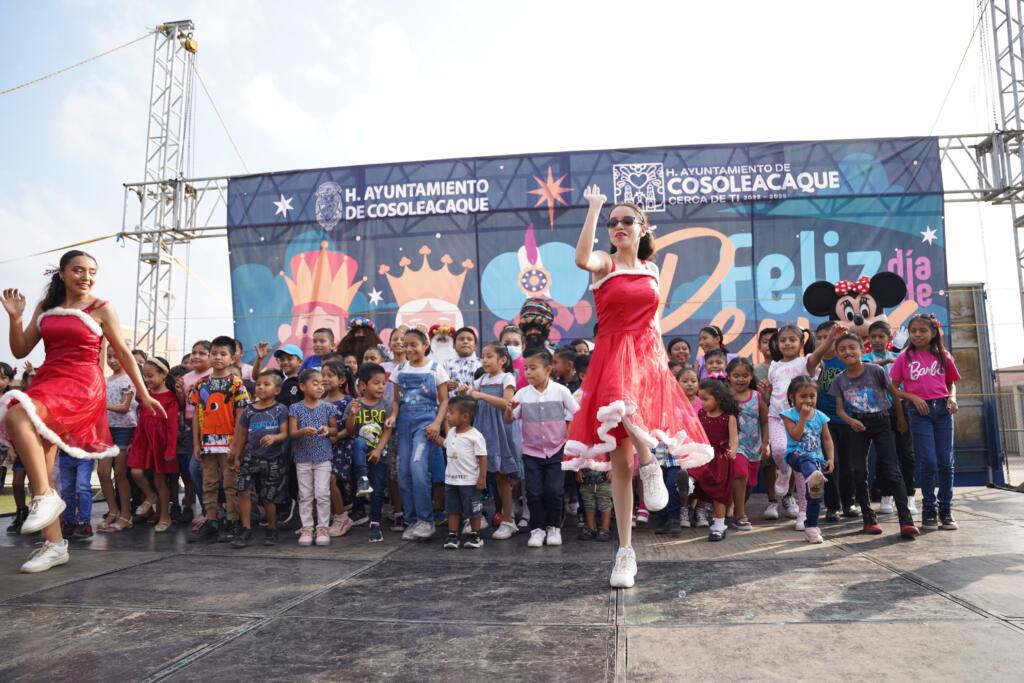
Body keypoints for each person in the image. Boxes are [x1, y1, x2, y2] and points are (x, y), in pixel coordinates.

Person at [562, 186, 713, 587]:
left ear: (643, 227)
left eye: (627, 220)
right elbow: (580, 258)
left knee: (622, 447)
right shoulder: (604, 266)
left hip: (647, 355)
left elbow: (655, 320)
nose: (619, 227)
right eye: (613, 223)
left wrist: (661, 360)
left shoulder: (651, 269)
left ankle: (645, 470)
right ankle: (627, 546)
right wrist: (594, 208)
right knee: (620, 457)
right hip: (612, 354)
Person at [1, 250, 166, 573]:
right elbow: (21, 349)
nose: (86, 276)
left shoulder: (101, 308)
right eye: (78, 270)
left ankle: (45, 500)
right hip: (49, 380)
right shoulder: (47, 307)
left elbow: (124, 354)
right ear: (62, 273)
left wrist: (143, 395)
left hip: (81, 384)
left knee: (17, 414)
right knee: (42, 458)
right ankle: (55, 544)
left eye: (91, 271)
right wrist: (16, 318)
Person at [830, 333, 920, 539]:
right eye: (842, 349)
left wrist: (900, 419)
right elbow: (840, 410)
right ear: (837, 354)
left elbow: (894, 395)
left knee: (892, 470)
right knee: (858, 471)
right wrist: (851, 421)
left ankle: (906, 521)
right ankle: (869, 519)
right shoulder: (839, 379)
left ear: (862, 349)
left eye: (852, 347)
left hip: (881, 420)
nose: (847, 352)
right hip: (858, 425)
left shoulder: (875, 370)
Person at [759, 323, 843, 527]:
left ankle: (804, 514)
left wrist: (831, 339)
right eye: (783, 340)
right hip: (777, 417)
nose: (787, 343)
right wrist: (766, 394)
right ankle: (783, 470)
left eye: (792, 340)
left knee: (803, 471)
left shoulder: (806, 362)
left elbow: (817, 354)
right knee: (779, 451)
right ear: (777, 344)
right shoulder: (774, 367)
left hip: (802, 420)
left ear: (801, 342)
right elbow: (777, 395)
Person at [889, 314, 961, 530]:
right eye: (913, 331)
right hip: (919, 412)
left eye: (922, 330)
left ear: (933, 333)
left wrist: (953, 398)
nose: (918, 334)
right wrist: (912, 397)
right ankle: (929, 509)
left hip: (943, 411)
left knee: (946, 463)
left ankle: (946, 510)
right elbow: (893, 386)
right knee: (928, 461)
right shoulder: (905, 357)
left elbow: (951, 384)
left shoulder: (943, 356)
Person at [506, 349, 579, 549]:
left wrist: (572, 441)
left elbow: (577, 413)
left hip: (557, 450)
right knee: (534, 492)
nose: (527, 372)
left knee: (554, 491)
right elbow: (509, 419)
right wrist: (508, 410)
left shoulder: (561, 391)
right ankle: (537, 529)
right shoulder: (522, 394)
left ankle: (554, 527)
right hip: (531, 452)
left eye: (532, 368)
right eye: (525, 369)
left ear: (548, 369)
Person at [190, 335, 251, 542]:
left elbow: (241, 418)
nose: (217, 357)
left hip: (229, 444)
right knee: (209, 483)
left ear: (232, 358)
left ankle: (233, 522)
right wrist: (197, 444)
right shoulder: (201, 384)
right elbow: (197, 416)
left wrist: (237, 445)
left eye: (223, 354)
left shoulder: (236, 384)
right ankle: (212, 521)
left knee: (231, 484)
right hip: (207, 444)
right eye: (214, 353)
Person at [392, 328, 449, 541]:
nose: (409, 349)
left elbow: (444, 401)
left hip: (425, 426)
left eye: (413, 344)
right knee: (403, 473)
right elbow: (397, 400)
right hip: (404, 425)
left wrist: (436, 423)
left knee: (418, 468)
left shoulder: (436, 369)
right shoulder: (399, 370)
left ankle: (427, 520)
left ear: (425, 345)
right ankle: (412, 519)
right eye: (406, 345)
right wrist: (393, 417)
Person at [460, 342, 521, 539]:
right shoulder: (482, 378)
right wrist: (464, 391)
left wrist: (479, 395)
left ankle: (508, 520)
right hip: (482, 429)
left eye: (489, 356)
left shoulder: (507, 377)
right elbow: (471, 396)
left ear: (502, 360)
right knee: (480, 473)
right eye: (483, 356)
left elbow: (506, 403)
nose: (484, 360)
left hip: (500, 430)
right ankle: (477, 517)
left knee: (501, 475)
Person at [229, 370, 289, 547]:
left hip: (273, 460)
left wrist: (274, 438)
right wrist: (237, 457)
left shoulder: (281, 409)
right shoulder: (248, 410)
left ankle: (271, 529)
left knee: (268, 497)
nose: (261, 387)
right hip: (250, 458)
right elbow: (241, 436)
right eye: (259, 384)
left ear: (277, 390)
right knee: (243, 491)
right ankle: (246, 528)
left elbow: (285, 433)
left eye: (266, 384)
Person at [863, 320, 916, 516]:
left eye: (881, 336)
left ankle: (910, 495)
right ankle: (886, 495)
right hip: (878, 411)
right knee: (885, 454)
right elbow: (864, 371)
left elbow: (907, 384)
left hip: (901, 408)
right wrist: (885, 363)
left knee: (906, 454)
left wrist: (896, 355)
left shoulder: (899, 357)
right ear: (868, 339)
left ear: (889, 339)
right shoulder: (864, 358)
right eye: (873, 337)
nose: (876, 340)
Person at [126, 357, 179, 533]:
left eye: (150, 376)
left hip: (161, 442)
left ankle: (165, 516)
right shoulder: (145, 396)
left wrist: (170, 448)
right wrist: (134, 441)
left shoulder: (171, 398)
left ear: (164, 374)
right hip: (143, 439)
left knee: (160, 480)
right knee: (135, 472)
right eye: (144, 376)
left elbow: (172, 426)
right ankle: (150, 496)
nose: (147, 380)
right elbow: (141, 420)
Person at [780, 376, 834, 544]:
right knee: (806, 462)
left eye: (812, 396)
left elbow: (826, 438)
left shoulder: (821, 416)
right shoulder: (789, 415)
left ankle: (811, 527)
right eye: (803, 396)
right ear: (792, 397)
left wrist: (830, 458)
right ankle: (813, 476)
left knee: (815, 495)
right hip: (795, 454)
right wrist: (802, 418)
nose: (808, 400)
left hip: (816, 458)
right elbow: (795, 436)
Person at [289, 368, 339, 547]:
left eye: (321, 384)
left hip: (323, 457)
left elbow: (335, 430)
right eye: (315, 383)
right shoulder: (295, 408)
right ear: (302, 386)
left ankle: (323, 527)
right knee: (305, 495)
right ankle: (307, 528)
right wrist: (302, 431)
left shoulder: (328, 407)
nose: (319, 387)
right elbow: (292, 433)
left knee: (323, 493)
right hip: (302, 458)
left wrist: (328, 430)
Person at [814, 322, 858, 522]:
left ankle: (849, 502)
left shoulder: (845, 361)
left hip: (848, 419)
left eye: (828, 336)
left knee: (849, 464)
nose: (825, 340)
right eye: (820, 337)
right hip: (825, 422)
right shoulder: (815, 363)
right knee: (832, 463)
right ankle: (832, 506)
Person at [685, 379, 739, 541]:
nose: (702, 403)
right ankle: (687, 483)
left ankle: (718, 526)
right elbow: (694, 432)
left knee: (719, 493)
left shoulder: (729, 418)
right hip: (703, 453)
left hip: (721, 458)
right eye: (700, 399)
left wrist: (733, 450)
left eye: (705, 399)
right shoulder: (701, 414)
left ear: (719, 398)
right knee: (695, 470)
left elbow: (734, 438)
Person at [346, 362, 394, 543]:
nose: (381, 386)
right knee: (358, 440)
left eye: (383, 383)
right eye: (376, 383)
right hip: (360, 454)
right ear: (363, 385)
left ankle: (375, 523)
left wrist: (379, 449)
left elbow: (388, 430)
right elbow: (350, 431)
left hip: (379, 453)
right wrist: (352, 415)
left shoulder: (386, 405)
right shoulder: (356, 404)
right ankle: (362, 479)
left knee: (379, 488)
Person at [97, 345, 137, 533]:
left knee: (120, 474)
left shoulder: (129, 380)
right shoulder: (104, 380)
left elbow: (124, 407)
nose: (112, 361)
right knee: (103, 473)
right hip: (106, 430)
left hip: (124, 429)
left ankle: (125, 515)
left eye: (116, 357)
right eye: (109, 357)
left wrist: (101, 404)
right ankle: (112, 510)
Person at [442, 397, 487, 550]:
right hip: (451, 480)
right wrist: (434, 437)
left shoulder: (475, 436)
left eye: (451, 412)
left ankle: (476, 535)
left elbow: (482, 457)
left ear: (465, 416)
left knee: (473, 509)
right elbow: (445, 444)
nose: (447, 415)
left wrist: (482, 477)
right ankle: (453, 534)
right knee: (452, 509)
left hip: (470, 481)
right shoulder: (451, 433)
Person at [727, 357, 767, 531]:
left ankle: (737, 507)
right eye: (736, 375)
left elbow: (765, 421)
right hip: (735, 446)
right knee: (740, 473)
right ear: (728, 376)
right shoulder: (725, 397)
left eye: (744, 375)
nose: (740, 379)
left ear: (751, 377)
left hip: (755, 446)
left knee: (750, 483)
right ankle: (740, 516)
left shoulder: (757, 397)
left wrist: (766, 443)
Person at [176, 340, 212, 530]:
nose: (196, 356)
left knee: (210, 471)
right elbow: (182, 406)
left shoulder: (215, 376)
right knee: (194, 469)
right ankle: (206, 509)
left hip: (213, 428)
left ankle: (216, 510)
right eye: (193, 352)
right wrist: (179, 391)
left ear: (211, 356)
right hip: (191, 429)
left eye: (202, 353)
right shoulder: (187, 377)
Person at [323, 360, 358, 536]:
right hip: (322, 447)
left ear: (342, 379)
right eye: (322, 375)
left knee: (330, 480)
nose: (325, 379)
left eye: (330, 375)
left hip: (341, 447)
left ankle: (341, 517)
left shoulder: (348, 401)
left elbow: (350, 430)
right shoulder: (319, 400)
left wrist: (336, 437)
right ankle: (324, 518)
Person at [58, 449, 94, 539]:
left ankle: (84, 523)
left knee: (83, 487)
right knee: (66, 490)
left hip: (85, 453)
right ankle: (69, 522)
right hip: (65, 454)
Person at [443, 327, 481, 395]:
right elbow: (440, 388)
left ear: (475, 346)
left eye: (469, 339)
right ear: (454, 345)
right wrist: (445, 387)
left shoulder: (482, 363)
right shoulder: (446, 364)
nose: (465, 341)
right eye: (461, 339)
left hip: (476, 404)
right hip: (452, 404)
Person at [500, 324, 529, 390]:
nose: (511, 347)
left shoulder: (529, 366)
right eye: (506, 344)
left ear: (523, 346)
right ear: (499, 345)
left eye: (516, 344)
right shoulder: (493, 366)